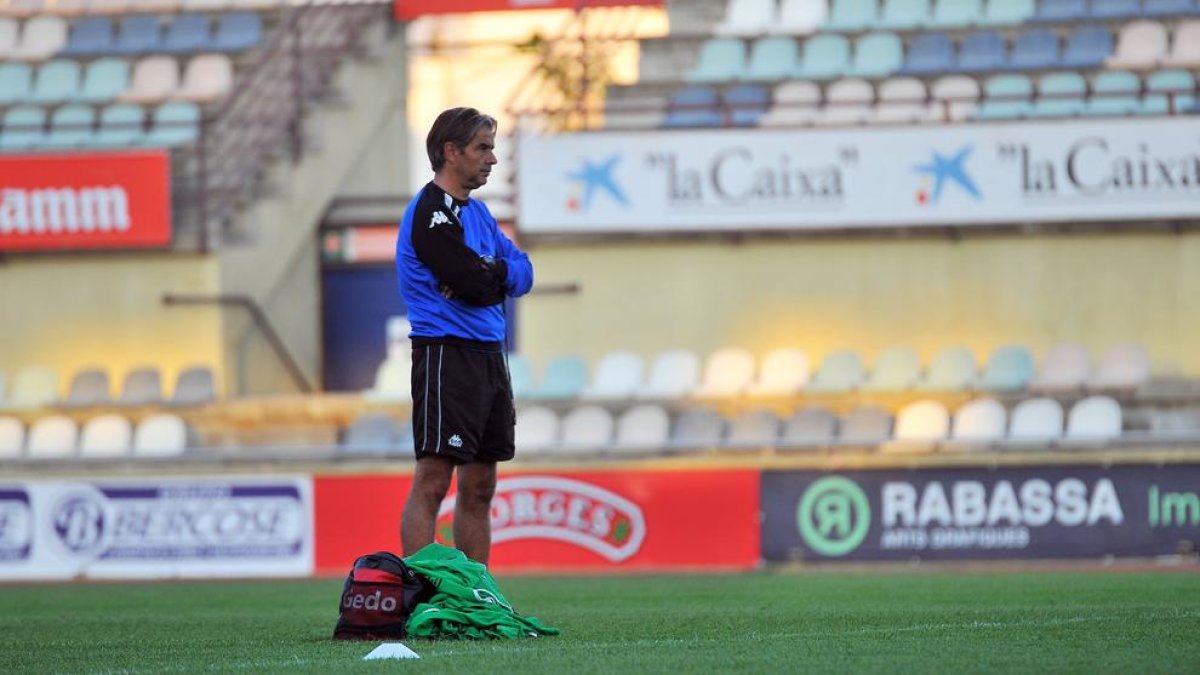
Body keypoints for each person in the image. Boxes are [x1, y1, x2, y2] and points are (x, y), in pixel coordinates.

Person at [395, 107, 533, 566]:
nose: (492, 159)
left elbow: (523, 274)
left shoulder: (480, 216)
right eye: (483, 148)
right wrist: (491, 278)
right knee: (434, 479)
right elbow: (473, 286)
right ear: (451, 152)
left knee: (481, 486)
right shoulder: (430, 213)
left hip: (490, 356)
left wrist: (490, 272)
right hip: (445, 354)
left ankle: (476, 593)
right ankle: (426, 590)